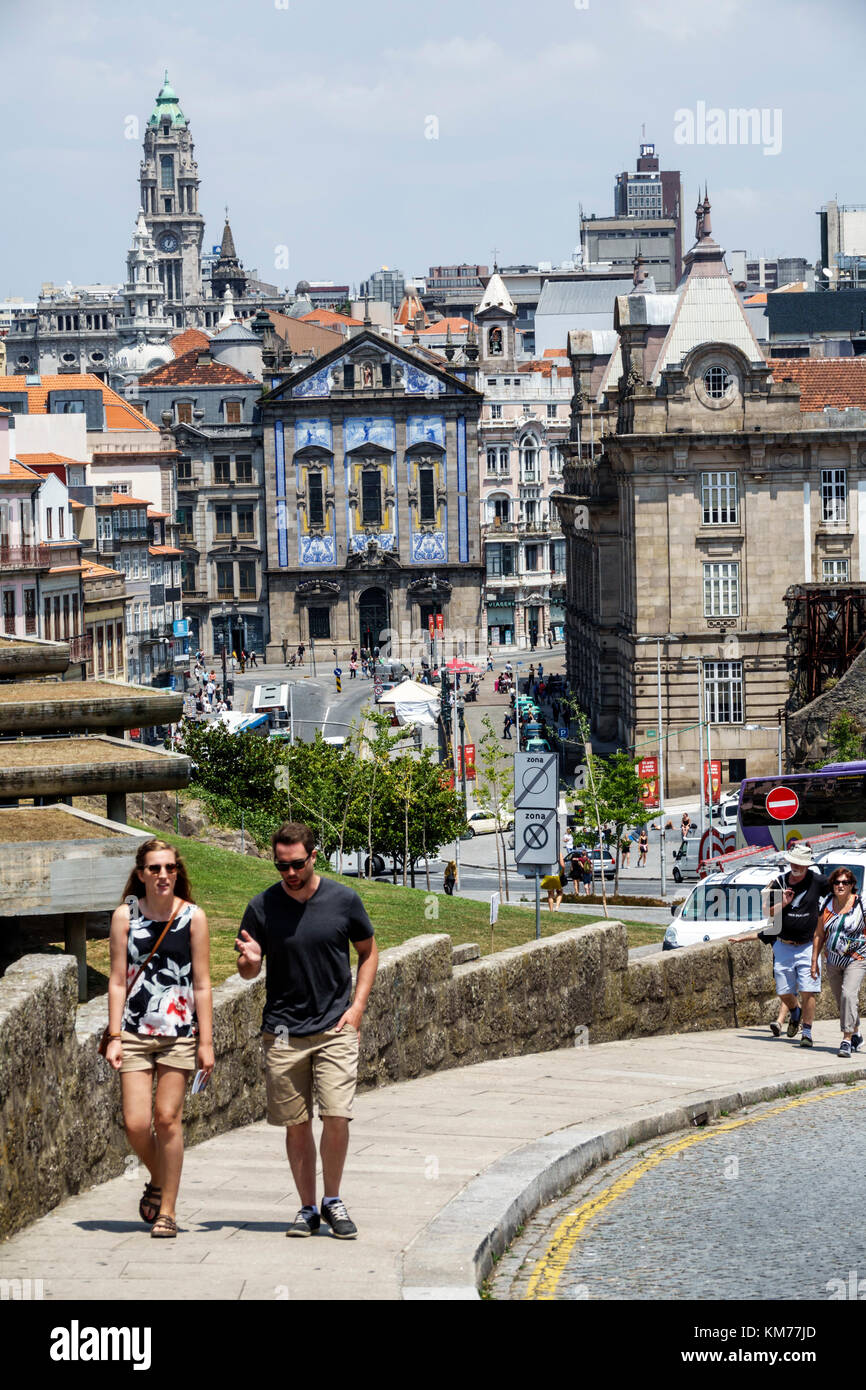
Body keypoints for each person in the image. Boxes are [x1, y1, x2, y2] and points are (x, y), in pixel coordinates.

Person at [235, 823, 378, 1240]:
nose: (291, 873)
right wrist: (251, 959)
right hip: (282, 1033)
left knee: (336, 1114)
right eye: (282, 866)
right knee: (296, 1124)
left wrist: (357, 1009)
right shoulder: (261, 907)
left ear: (314, 856)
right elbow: (247, 972)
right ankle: (306, 1209)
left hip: (335, 1027)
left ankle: (333, 1201)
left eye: (297, 864)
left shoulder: (344, 900)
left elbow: (368, 953)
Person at [104, 839, 213, 1239]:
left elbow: (202, 984)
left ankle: (167, 1210)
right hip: (133, 1032)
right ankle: (159, 1177)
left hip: (179, 1034)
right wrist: (114, 1035)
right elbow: (117, 980)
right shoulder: (124, 917)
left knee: (167, 1119)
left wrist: (206, 1041)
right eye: (154, 869)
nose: (163, 875)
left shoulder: (193, 917)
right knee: (135, 1124)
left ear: (177, 871)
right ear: (140, 874)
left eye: (169, 868)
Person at [734, 842, 832, 1049]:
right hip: (783, 945)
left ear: (807, 865)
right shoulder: (778, 883)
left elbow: (840, 891)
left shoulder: (818, 881)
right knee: (783, 992)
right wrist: (784, 903)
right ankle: (794, 1012)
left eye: (800, 864)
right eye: (793, 862)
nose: (796, 867)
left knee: (808, 990)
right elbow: (768, 912)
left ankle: (807, 1032)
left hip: (807, 946)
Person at [812, 866, 866, 1058]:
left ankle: (846, 1039)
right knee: (842, 1001)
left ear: (852, 885)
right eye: (837, 882)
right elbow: (819, 934)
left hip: (856, 958)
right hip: (833, 960)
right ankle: (857, 1032)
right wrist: (814, 961)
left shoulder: (861, 904)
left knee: (848, 994)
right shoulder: (826, 904)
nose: (841, 885)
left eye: (845, 882)